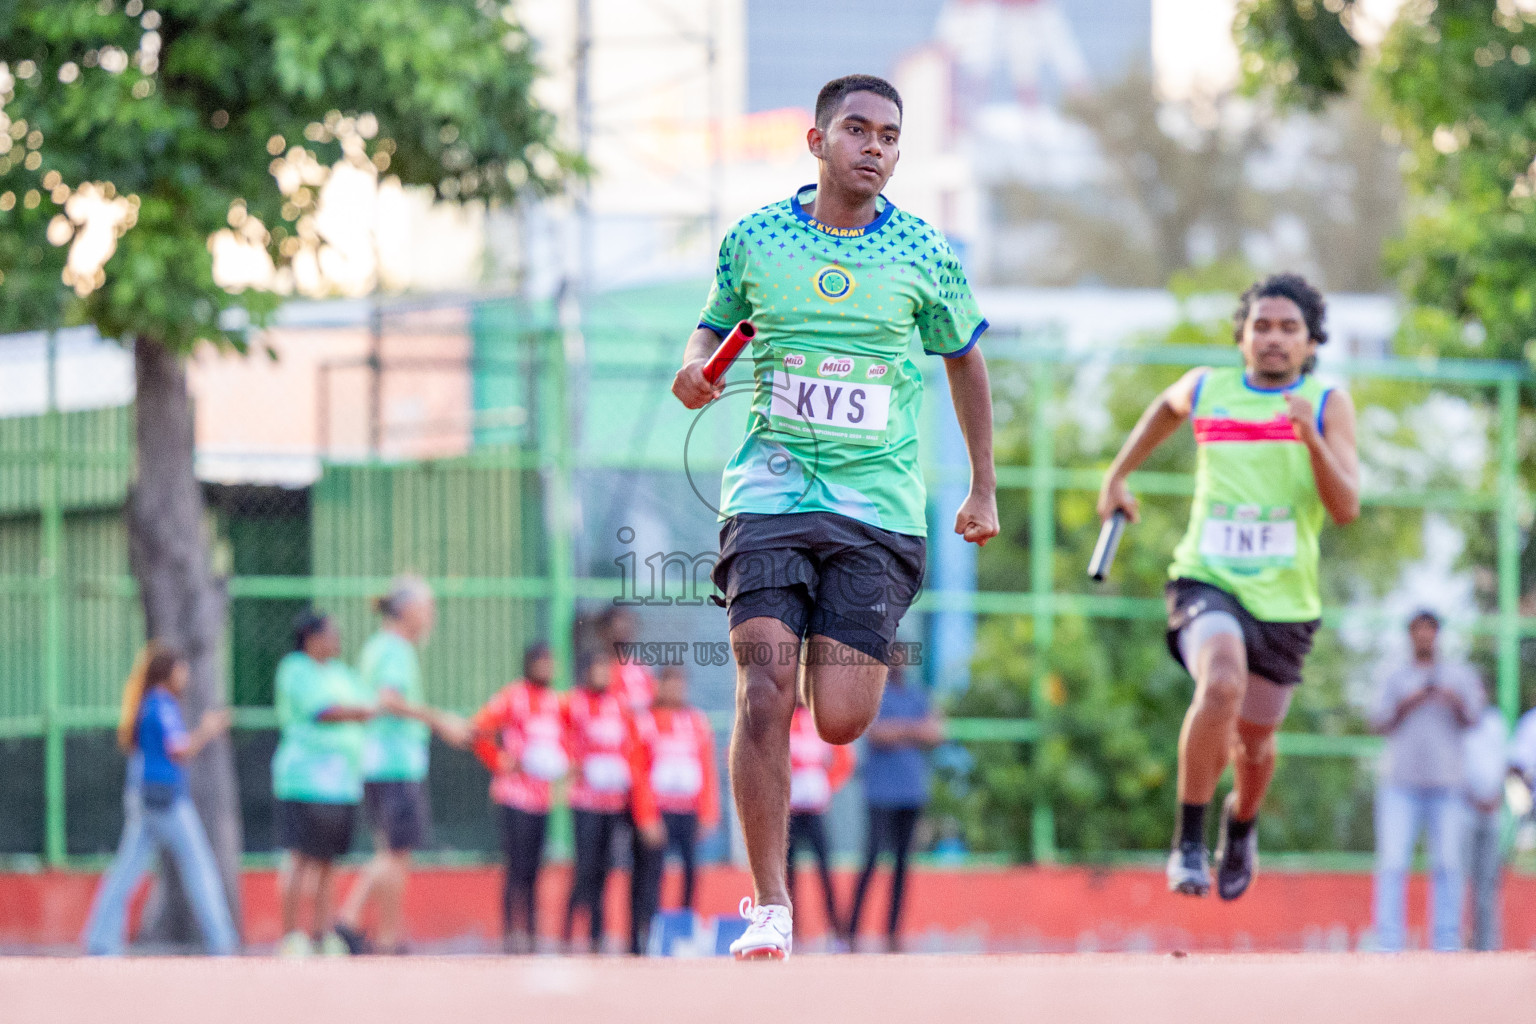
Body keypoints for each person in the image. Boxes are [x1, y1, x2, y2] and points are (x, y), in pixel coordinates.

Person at [671, 73, 998, 960]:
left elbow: (967, 362)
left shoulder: (926, 254)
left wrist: (982, 485)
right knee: (764, 687)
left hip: (878, 511)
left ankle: (832, 646)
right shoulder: (755, 241)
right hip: (771, 497)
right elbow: (710, 332)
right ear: (817, 142)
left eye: (890, 136)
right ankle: (770, 904)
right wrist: (697, 367)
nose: (876, 148)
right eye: (857, 130)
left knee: (841, 716)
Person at [1097, 273, 1360, 901]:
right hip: (1206, 579)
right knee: (1220, 682)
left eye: (1288, 328)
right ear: (1242, 337)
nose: (1273, 338)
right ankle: (1188, 840)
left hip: (1287, 601)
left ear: (1311, 341)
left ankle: (1240, 824)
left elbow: (1346, 507)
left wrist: (1310, 437)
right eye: (1261, 326)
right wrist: (1118, 476)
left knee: (1256, 741)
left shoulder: (1326, 403)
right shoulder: (1208, 388)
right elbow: (1164, 409)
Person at [336, 576, 470, 955]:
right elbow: (389, 700)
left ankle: (385, 936)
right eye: (427, 607)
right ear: (407, 610)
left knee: (393, 852)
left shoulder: (381, 647)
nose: (431, 616)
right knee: (394, 852)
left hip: (381, 763)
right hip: (394, 764)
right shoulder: (394, 650)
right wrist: (439, 719)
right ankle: (350, 920)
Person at [83, 642, 239, 956]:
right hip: (167, 801)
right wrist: (207, 730)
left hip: (146, 798)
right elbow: (179, 750)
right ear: (166, 673)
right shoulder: (161, 704)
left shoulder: (149, 703)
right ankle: (222, 943)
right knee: (199, 867)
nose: (186, 676)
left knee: (126, 872)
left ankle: (100, 941)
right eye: (181, 670)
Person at [1369, 610, 1483, 951]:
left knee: (1449, 863)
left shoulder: (1458, 676)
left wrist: (1451, 698)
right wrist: (1411, 700)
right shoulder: (1394, 676)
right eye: (1418, 630)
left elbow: (1475, 718)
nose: (1424, 636)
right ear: (1409, 635)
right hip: (1400, 785)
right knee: (1392, 862)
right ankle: (1389, 942)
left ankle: (1446, 941)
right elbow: (1376, 722)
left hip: (1447, 786)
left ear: (1437, 635)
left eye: (1430, 629)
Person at [272, 611, 375, 957]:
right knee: (299, 859)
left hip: (342, 785)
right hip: (303, 781)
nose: (338, 640)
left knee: (328, 862)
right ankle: (290, 936)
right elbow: (323, 712)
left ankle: (322, 934)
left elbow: (368, 702)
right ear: (312, 638)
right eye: (332, 634)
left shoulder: (341, 674)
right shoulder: (295, 669)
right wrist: (359, 713)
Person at [561, 653, 663, 953]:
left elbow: (631, 752)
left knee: (608, 868)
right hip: (585, 801)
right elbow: (559, 735)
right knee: (587, 869)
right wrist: (570, 762)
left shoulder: (623, 709)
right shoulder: (574, 702)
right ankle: (573, 932)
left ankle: (607, 936)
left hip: (616, 802)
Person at [470, 642, 566, 954]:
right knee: (516, 866)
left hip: (542, 798)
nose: (547, 669)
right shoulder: (513, 697)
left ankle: (533, 933)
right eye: (541, 663)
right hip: (513, 796)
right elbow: (479, 728)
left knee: (535, 868)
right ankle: (512, 933)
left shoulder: (555, 702)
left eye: (550, 663)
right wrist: (499, 760)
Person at [847, 667, 942, 951]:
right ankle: (851, 930)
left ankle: (892, 932)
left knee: (902, 865)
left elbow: (935, 732)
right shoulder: (875, 697)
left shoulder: (917, 695)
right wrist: (913, 730)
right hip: (880, 794)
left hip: (911, 793)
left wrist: (900, 730)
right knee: (871, 861)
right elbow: (876, 734)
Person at [629, 664, 720, 953]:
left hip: (688, 812)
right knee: (650, 876)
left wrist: (708, 814)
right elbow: (638, 772)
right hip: (658, 812)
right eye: (669, 683)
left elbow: (707, 769)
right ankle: (644, 938)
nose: (675, 690)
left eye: (680, 684)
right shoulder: (645, 721)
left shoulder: (697, 721)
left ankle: (682, 934)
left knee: (691, 873)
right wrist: (646, 817)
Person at [787, 699, 856, 944]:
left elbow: (844, 760)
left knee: (826, 872)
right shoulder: (783, 721)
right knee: (788, 876)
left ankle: (837, 931)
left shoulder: (820, 722)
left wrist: (827, 785)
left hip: (816, 810)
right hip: (790, 812)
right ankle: (790, 931)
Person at [1462, 697, 1510, 952]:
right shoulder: (1458, 722)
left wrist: (1497, 797)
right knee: (1457, 881)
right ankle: (1450, 946)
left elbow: (1506, 764)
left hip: (1492, 814)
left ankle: (1488, 948)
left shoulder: (1496, 723)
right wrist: (1471, 795)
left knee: (1488, 884)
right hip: (1462, 812)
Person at [600, 607, 657, 712]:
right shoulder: (600, 668)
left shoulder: (641, 667)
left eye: (627, 624)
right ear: (604, 631)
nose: (623, 629)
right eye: (617, 624)